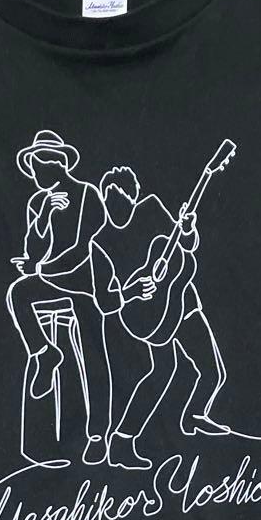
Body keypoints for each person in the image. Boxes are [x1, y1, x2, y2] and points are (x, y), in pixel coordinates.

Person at [91, 165, 230, 471]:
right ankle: (122, 442)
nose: (116, 210)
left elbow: (187, 246)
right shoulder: (100, 243)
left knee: (213, 372)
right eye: (109, 203)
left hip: (184, 305)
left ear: (134, 198)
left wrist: (188, 229)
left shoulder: (152, 209)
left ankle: (194, 415)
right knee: (162, 372)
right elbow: (103, 302)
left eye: (123, 203)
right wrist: (131, 291)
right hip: (149, 317)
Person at [6, 130, 113, 464]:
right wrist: (44, 216)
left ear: (55, 163)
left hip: (82, 285)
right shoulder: (38, 202)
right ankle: (44, 352)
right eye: (32, 168)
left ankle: (98, 435)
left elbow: (82, 250)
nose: (34, 174)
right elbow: (32, 249)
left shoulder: (87, 195)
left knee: (94, 355)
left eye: (37, 166)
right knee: (18, 293)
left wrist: (41, 269)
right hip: (49, 279)